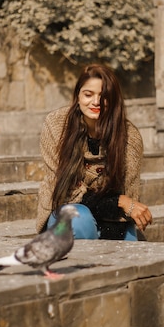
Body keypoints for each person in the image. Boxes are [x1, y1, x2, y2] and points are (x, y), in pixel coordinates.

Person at [37, 63, 153, 240]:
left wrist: (118, 209)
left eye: (104, 96)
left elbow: (127, 204)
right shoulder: (56, 126)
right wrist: (119, 201)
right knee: (79, 220)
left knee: (131, 246)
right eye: (88, 94)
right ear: (77, 96)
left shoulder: (129, 137)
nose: (96, 102)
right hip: (67, 212)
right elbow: (64, 193)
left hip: (111, 218)